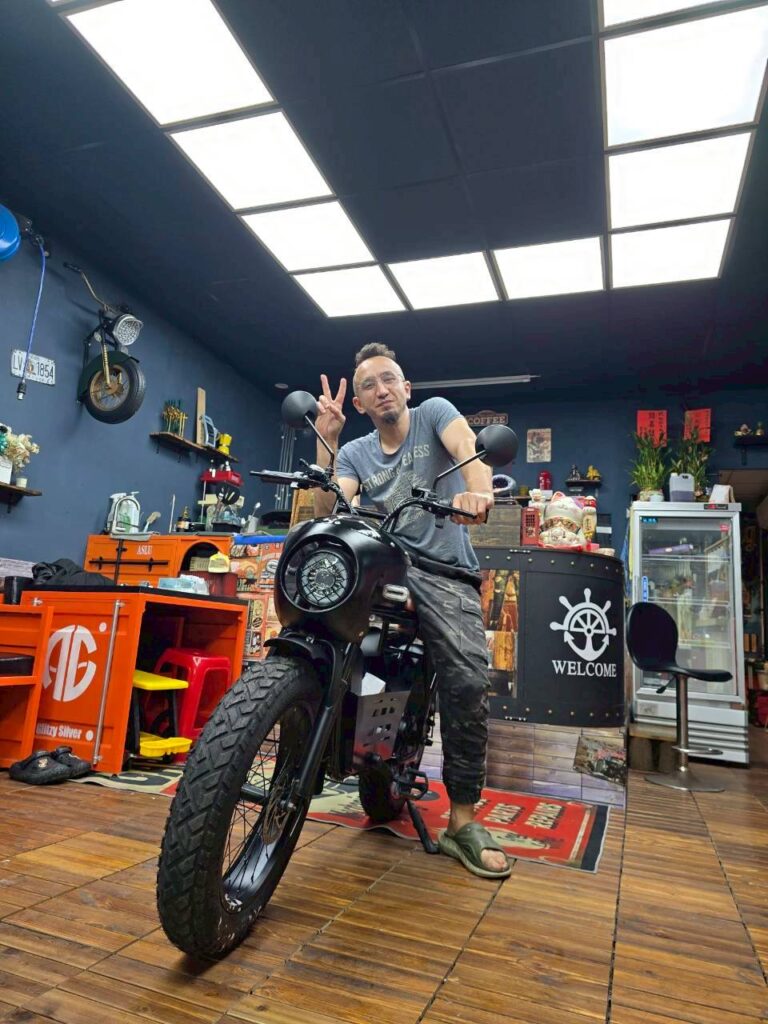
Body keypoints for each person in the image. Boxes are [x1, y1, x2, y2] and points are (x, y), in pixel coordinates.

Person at [313, 342, 511, 879]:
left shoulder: (434, 414)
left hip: (444, 571)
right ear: (359, 404)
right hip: (383, 567)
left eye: (389, 380)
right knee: (318, 632)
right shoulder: (355, 452)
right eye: (369, 385)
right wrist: (327, 445)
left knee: (467, 681)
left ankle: (462, 821)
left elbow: (468, 448)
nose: (381, 390)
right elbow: (332, 509)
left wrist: (478, 493)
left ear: (406, 388)